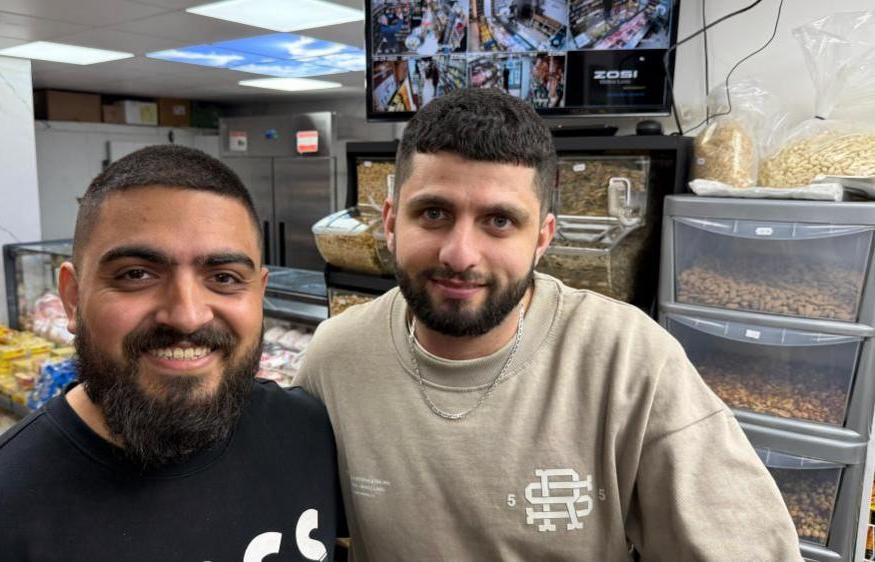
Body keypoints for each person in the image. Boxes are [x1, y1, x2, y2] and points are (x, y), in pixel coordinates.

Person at [293, 88, 802, 561]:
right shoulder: (335, 357)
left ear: (542, 238)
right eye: (432, 213)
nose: (460, 254)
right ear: (389, 222)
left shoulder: (628, 359)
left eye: (499, 221)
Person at [0, 146, 341, 562]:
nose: (186, 316)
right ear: (71, 297)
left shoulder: (310, 433)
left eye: (224, 278)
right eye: (136, 274)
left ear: (258, 296)